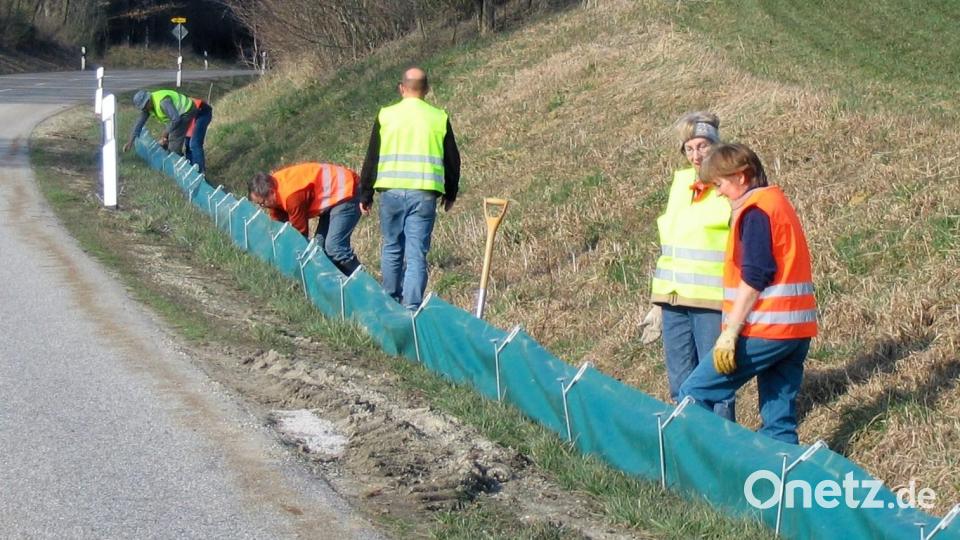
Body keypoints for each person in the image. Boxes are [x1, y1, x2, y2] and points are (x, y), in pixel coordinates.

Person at [678, 143, 817, 444]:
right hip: (796, 332)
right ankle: (783, 483)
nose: (718, 192)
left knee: (694, 392)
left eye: (720, 184)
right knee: (779, 424)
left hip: (766, 330)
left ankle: (712, 466)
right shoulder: (776, 202)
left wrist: (730, 333)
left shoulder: (754, 212)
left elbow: (755, 276)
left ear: (741, 177)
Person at [639, 112, 735, 421]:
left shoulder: (730, 187)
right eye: (689, 148)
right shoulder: (680, 185)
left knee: (715, 381)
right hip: (674, 300)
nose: (696, 155)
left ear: (716, 146)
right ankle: (689, 447)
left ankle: (722, 448)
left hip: (711, 301)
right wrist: (657, 302)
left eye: (703, 146)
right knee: (680, 384)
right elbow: (671, 244)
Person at [359, 66, 461, 310]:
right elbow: (452, 159)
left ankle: (389, 300)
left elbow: (372, 156)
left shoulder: (386, 115)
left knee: (392, 246)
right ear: (426, 89)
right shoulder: (438, 117)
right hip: (424, 193)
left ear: (401, 88)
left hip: (390, 192)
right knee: (416, 254)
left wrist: (365, 193)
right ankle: (411, 307)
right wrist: (451, 192)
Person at [248, 163, 362, 276]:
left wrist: (290, 264)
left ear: (271, 193)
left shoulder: (292, 197)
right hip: (334, 197)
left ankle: (365, 285)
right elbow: (278, 227)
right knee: (319, 250)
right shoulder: (273, 188)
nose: (263, 207)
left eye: (262, 203)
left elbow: (299, 236)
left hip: (347, 190)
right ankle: (341, 285)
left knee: (334, 247)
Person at [123, 90, 206, 173]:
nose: (144, 109)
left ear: (148, 100)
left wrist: (166, 132)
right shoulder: (148, 107)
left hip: (187, 111)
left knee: (174, 142)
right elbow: (139, 124)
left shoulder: (163, 102)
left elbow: (176, 119)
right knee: (168, 137)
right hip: (175, 116)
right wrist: (130, 142)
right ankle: (172, 159)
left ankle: (184, 171)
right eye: (142, 108)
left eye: (144, 106)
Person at [184, 97, 213, 173]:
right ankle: (191, 171)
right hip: (188, 116)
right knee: (187, 144)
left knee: (194, 143)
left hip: (201, 112)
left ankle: (200, 172)